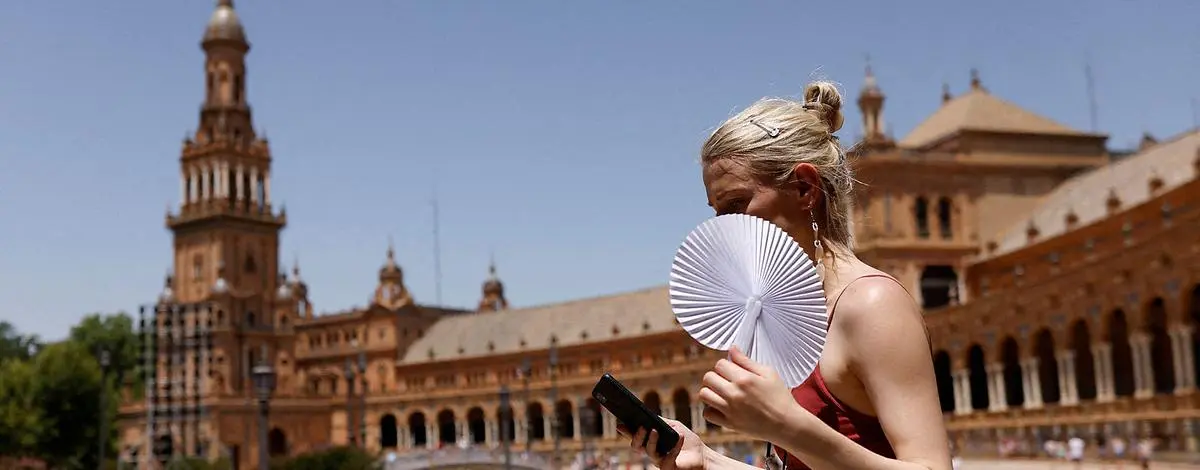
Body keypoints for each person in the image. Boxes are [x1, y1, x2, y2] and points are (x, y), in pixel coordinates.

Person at [620, 81, 951, 470]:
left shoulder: (870, 305)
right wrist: (703, 459)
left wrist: (785, 424)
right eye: (716, 211)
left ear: (804, 188)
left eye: (736, 204)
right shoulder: (788, 312)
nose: (723, 228)